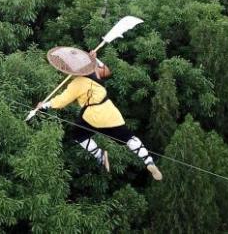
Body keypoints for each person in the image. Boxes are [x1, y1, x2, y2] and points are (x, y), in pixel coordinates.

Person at [37, 46, 162, 179]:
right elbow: (107, 71)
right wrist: (96, 61)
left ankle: (99, 155)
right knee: (129, 138)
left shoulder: (76, 84)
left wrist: (43, 105)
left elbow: (61, 101)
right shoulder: (94, 72)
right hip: (111, 115)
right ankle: (148, 161)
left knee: (79, 135)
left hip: (91, 117)